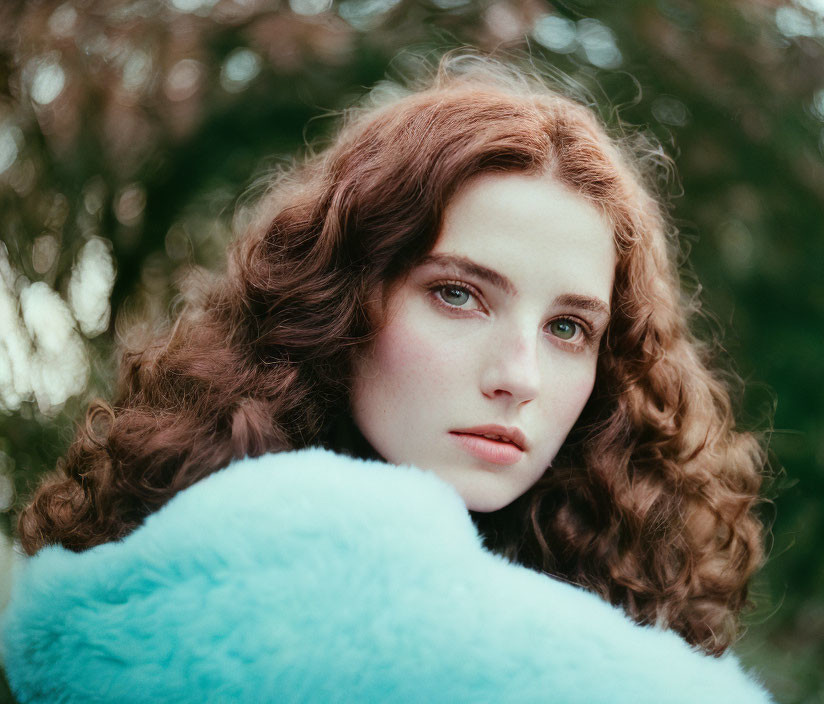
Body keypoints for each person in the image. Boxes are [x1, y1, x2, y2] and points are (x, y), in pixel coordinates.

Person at [1, 56, 771, 702]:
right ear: (339, 303)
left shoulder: (613, 620)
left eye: (568, 328)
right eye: (458, 295)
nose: (519, 377)